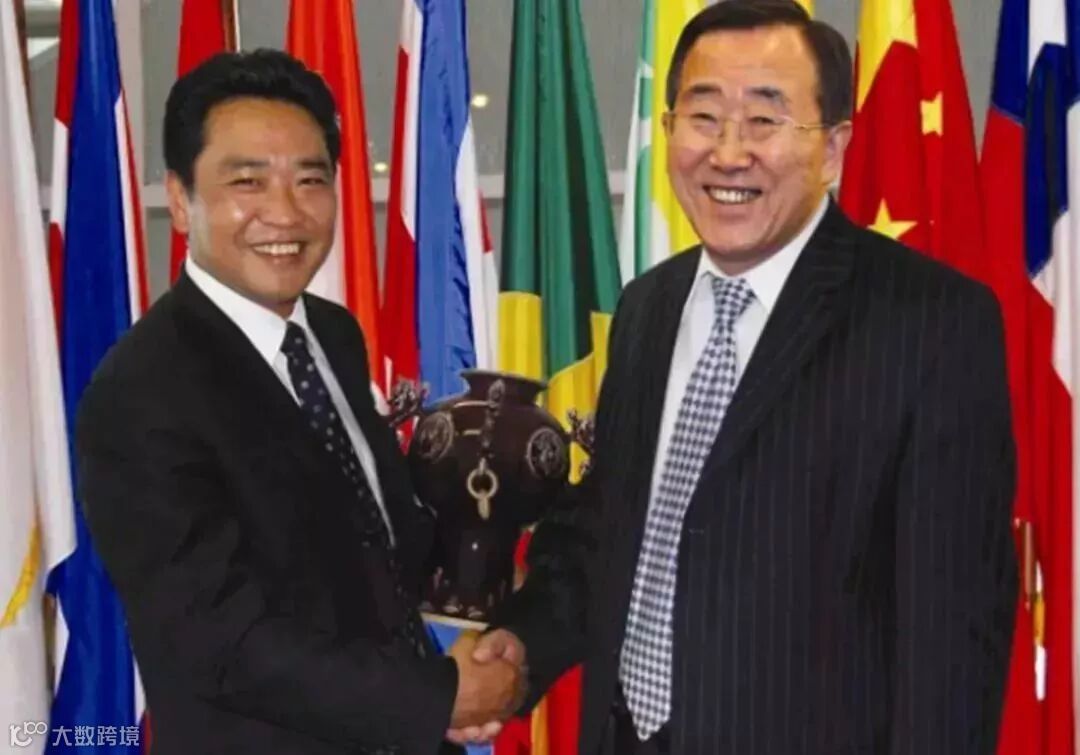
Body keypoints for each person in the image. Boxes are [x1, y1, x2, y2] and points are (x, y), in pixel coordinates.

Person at [459, 2, 1018, 753]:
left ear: (832, 148)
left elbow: (953, 633)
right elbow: (609, 531)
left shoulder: (931, 323)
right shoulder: (648, 308)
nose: (728, 152)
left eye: (764, 119)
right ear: (668, 132)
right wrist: (522, 647)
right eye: (704, 116)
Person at [75, 49, 521, 755]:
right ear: (181, 199)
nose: (285, 212)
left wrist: (489, 564)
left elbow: (373, 541)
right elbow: (218, 640)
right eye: (247, 181)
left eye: (310, 179)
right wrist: (437, 697)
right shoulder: (140, 392)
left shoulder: (332, 336)